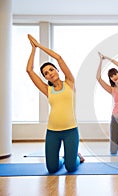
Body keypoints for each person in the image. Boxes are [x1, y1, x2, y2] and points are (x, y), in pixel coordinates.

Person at [26, 34, 84, 173]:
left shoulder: (69, 82)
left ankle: (76, 157)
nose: (49, 73)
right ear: (45, 77)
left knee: (71, 168)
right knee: (52, 168)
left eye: (51, 69)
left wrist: (39, 45)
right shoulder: (47, 90)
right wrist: (33, 49)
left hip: (71, 131)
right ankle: (64, 158)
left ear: (57, 70)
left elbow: (59, 58)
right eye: (46, 73)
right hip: (52, 132)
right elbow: (29, 70)